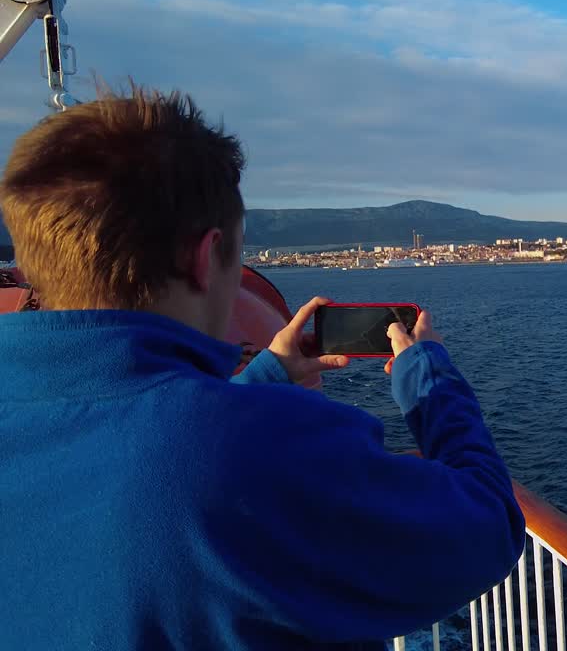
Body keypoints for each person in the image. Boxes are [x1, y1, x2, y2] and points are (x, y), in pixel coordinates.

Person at [0, 85, 525, 649]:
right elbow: (487, 528)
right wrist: (429, 379)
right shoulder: (256, 443)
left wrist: (264, 379)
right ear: (205, 259)